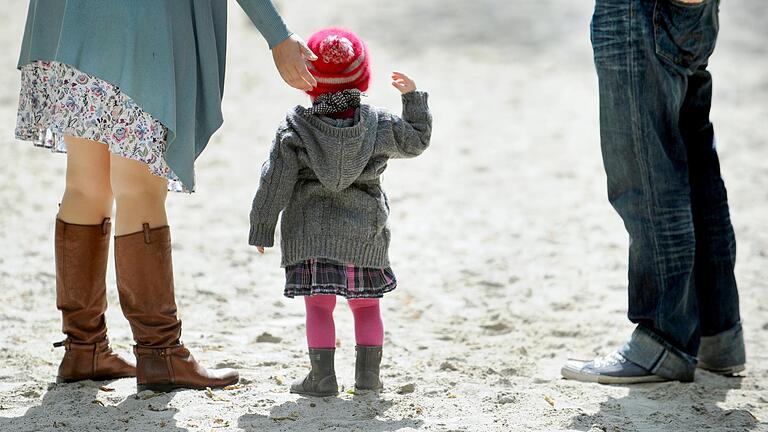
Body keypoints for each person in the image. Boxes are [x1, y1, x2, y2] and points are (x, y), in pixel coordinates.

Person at [14, 0, 318, 392]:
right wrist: (278, 34)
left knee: (85, 186)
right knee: (139, 188)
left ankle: (83, 348)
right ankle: (160, 354)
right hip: (140, 27)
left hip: (71, 20)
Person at [561, 0, 745, 384]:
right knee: (695, 165)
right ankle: (716, 333)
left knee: (645, 175)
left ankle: (664, 339)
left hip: (640, 10)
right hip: (688, 12)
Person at [248, 27, 432, 396]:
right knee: (366, 308)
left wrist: (262, 227)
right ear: (363, 76)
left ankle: (322, 378)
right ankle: (367, 378)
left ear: (308, 81)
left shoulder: (296, 128)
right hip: (363, 234)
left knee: (318, 307)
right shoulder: (378, 124)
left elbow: (275, 180)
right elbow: (416, 140)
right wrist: (413, 99)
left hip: (309, 234)